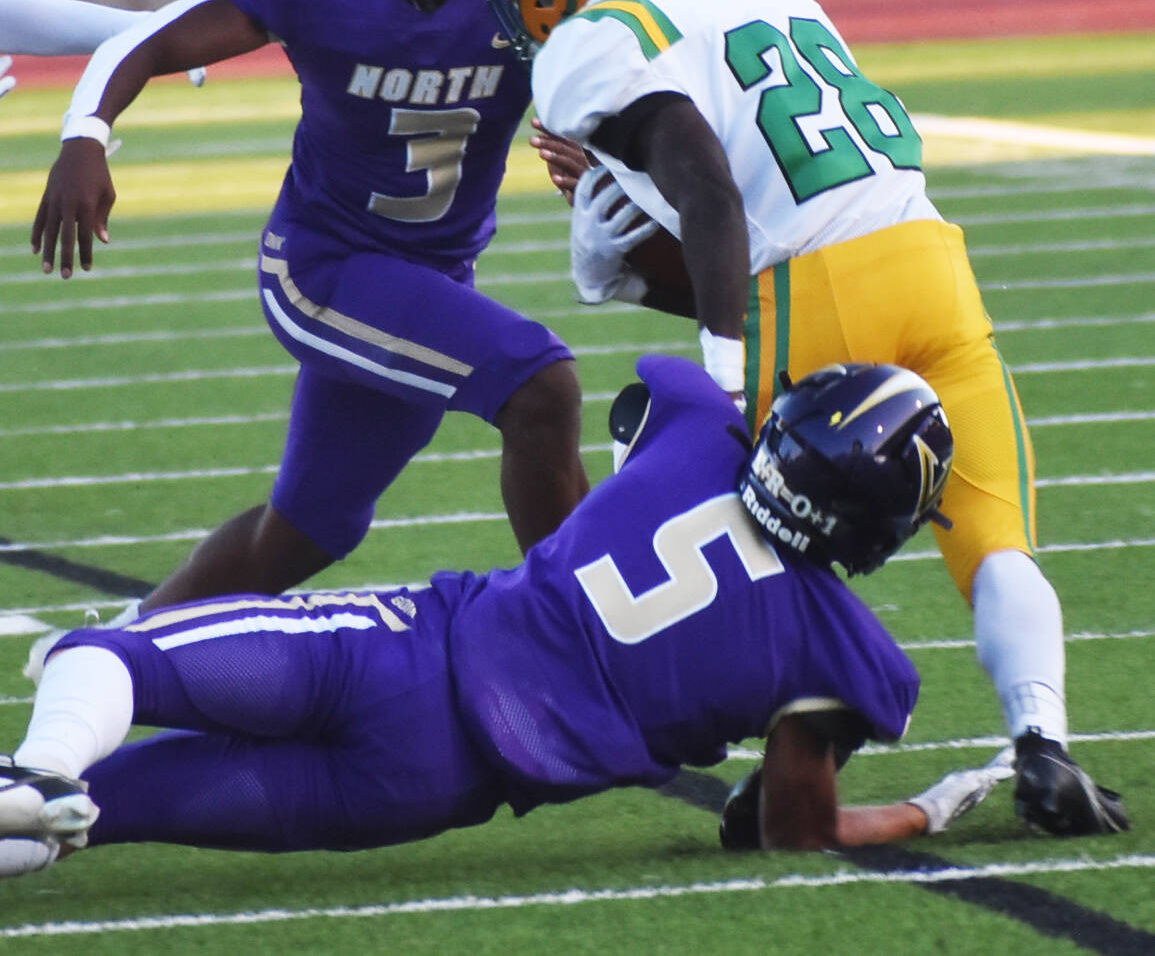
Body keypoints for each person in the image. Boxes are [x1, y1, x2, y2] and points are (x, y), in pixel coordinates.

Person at [487, 0, 1130, 839]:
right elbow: (744, 178)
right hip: (929, 260)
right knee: (994, 534)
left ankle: (766, 762)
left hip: (806, 293)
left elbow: (703, 181)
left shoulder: (586, 44)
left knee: (733, 524)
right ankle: (1043, 745)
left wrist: (720, 371)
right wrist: (637, 216)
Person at [0, 354, 1020, 876]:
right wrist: (924, 810)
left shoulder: (700, 435)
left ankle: (40, 769)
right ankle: (40, 794)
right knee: (111, 814)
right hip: (435, 784)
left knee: (113, 657)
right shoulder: (843, 653)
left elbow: (654, 396)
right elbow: (792, 831)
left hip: (407, 654)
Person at [23, 0, 589, 631]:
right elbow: (155, 37)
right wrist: (85, 133)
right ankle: (591, 638)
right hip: (325, 266)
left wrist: (595, 144)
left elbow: (610, 88)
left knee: (300, 534)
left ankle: (104, 665)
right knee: (540, 384)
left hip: (432, 274)